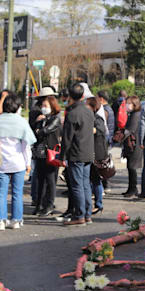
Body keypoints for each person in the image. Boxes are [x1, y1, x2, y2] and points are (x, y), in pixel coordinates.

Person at [0, 94, 35, 230]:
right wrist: (28, 163)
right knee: (17, 192)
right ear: (17, 106)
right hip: (18, 162)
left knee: (1, 192)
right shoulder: (21, 122)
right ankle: (16, 220)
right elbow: (26, 146)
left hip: (0, 162)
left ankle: (0, 221)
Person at [62, 83, 95, 225]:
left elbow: (67, 138)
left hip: (76, 153)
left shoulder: (72, 113)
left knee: (77, 185)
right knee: (85, 184)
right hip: (88, 152)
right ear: (83, 96)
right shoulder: (89, 111)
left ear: (70, 96)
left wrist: (62, 156)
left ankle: (79, 215)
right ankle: (87, 214)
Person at [31, 88, 62, 216]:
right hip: (39, 153)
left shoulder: (54, 119)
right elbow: (36, 133)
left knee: (50, 181)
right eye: (42, 105)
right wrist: (39, 123)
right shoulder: (41, 118)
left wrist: (41, 126)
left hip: (50, 153)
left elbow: (44, 131)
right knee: (40, 180)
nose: (43, 108)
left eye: (45, 106)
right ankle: (39, 204)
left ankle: (49, 205)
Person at [88, 97, 109, 214]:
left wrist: (91, 130)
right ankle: (96, 204)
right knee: (92, 179)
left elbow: (101, 130)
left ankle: (98, 204)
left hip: (97, 154)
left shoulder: (98, 118)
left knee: (95, 179)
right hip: (90, 152)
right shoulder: (89, 117)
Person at [122, 96, 143, 197]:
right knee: (130, 167)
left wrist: (120, 135)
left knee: (132, 167)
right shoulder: (133, 114)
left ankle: (133, 189)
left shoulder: (135, 115)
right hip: (133, 144)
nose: (127, 105)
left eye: (129, 103)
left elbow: (131, 129)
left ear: (135, 104)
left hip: (135, 144)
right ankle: (131, 188)